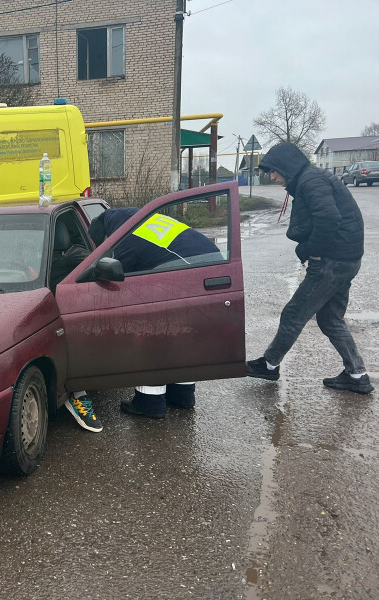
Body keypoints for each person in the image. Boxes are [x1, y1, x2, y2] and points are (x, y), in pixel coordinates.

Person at [64, 206, 220, 432]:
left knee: (151, 337)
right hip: (212, 268)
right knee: (181, 338)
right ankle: (182, 395)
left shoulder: (126, 237)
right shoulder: (138, 219)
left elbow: (114, 279)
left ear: (106, 235)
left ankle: (150, 403)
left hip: (188, 273)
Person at [245, 142, 372, 394]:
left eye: (273, 171)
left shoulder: (310, 181)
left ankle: (269, 365)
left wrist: (313, 250)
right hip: (345, 259)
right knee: (330, 319)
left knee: (293, 314)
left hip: (331, 262)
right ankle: (356, 375)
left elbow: (329, 217)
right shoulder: (310, 178)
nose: (272, 177)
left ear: (285, 167)